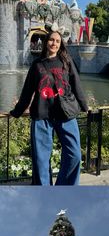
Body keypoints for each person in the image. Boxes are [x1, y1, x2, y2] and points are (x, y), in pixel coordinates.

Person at [10, 23, 88, 185]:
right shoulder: (37, 65)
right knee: (40, 160)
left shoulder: (66, 61)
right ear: (46, 42)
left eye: (57, 41)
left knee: (75, 155)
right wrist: (17, 111)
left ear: (61, 44)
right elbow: (27, 91)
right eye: (51, 40)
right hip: (41, 116)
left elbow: (76, 85)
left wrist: (84, 106)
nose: (54, 43)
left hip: (66, 114)